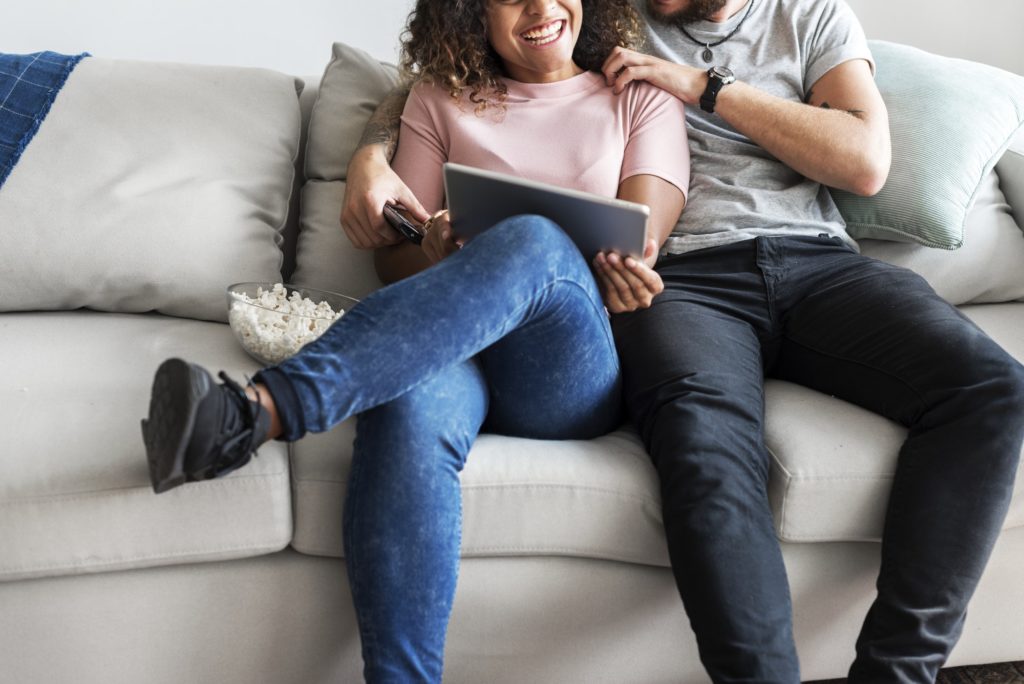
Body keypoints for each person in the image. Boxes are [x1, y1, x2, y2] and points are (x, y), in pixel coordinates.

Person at [342, 0, 1024, 682]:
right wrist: (370, 157)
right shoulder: (616, 14)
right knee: (705, 449)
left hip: (819, 261)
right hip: (681, 280)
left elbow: (865, 162)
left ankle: (898, 672)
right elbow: (457, 62)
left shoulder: (809, 17)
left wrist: (708, 88)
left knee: (994, 387)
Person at [140, 0, 689, 681]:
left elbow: (643, 232)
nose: (543, 8)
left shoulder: (639, 98)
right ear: (473, 13)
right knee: (407, 396)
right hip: (447, 347)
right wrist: (431, 243)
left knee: (532, 235)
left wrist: (625, 268)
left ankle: (262, 410)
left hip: (566, 371)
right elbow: (393, 264)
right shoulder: (437, 100)